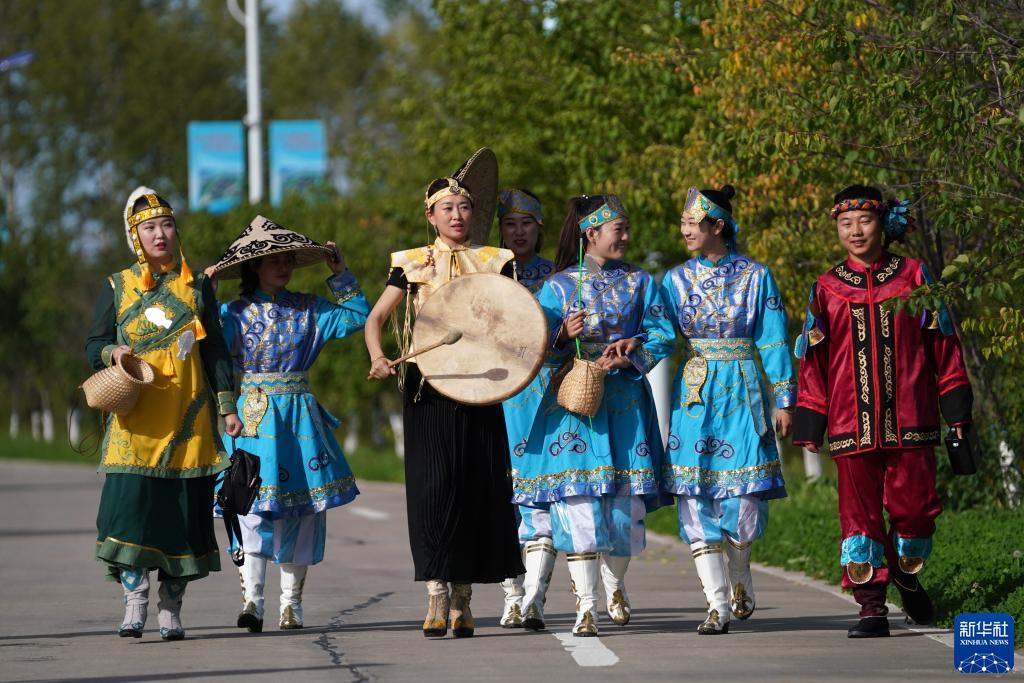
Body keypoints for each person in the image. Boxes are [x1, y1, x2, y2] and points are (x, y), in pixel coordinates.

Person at [792, 184, 974, 638]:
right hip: (850, 424)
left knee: (916, 512)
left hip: (912, 420)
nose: (855, 231)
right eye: (845, 223)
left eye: (864, 221)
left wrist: (956, 411)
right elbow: (814, 361)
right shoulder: (827, 288)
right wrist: (811, 419)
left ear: (882, 223)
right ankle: (871, 607)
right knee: (859, 519)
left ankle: (906, 575)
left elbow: (944, 344)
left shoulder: (914, 276)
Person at [364, 154, 525, 639]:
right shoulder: (412, 263)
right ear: (430, 216)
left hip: (482, 384)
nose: (457, 215)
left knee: (476, 488)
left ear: (475, 214)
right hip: (427, 385)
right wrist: (378, 355)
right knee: (434, 488)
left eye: (464, 207)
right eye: (447, 208)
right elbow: (376, 319)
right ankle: (435, 591)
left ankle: (463, 599)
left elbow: (516, 320)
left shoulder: (497, 261)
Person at [511, 194, 675, 637]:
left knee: (624, 511)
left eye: (626, 228)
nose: (626, 237)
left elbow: (663, 333)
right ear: (591, 233)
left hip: (625, 404)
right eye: (619, 229)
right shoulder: (558, 287)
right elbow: (533, 345)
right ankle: (586, 607)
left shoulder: (642, 282)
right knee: (578, 504)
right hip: (574, 407)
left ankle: (615, 583)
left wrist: (634, 348)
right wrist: (563, 335)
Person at [85, 187, 242, 640]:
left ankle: (171, 608)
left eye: (166, 225)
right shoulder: (117, 285)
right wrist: (113, 352)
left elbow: (214, 351)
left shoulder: (197, 286)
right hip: (134, 425)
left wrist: (227, 406)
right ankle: (135, 601)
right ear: (134, 236)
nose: (160, 234)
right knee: (128, 514)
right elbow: (94, 344)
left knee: (182, 520)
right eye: (149, 227)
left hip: (187, 424)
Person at [206, 216, 369, 632]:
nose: (283, 265)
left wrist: (340, 274)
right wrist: (206, 295)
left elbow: (357, 317)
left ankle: (291, 604)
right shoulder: (232, 313)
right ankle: (253, 601)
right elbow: (204, 342)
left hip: (299, 421)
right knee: (250, 504)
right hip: (252, 418)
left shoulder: (310, 308)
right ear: (254, 266)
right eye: (273, 259)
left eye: (288, 259)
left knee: (302, 509)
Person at [659, 185, 795, 635]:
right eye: (682, 223)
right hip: (694, 393)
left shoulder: (757, 277)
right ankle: (716, 604)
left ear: (718, 226)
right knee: (694, 496)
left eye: (691, 223)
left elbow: (773, 339)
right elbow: (659, 334)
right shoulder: (674, 280)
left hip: (741, 389)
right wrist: (622, 353)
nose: (684, 231)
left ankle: (739, 570)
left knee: (743, 497)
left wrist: (785, 398)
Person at [493, 189, 559, 630]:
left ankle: (534, 596)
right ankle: (512, 594)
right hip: (498, 394)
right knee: (504, 500)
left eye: (527, 223)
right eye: (510, 224)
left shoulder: (560, 276)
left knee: (543, 498)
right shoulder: (487, 273)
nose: (519, 232)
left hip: (548, 393)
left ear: (539, 228)